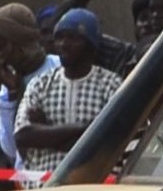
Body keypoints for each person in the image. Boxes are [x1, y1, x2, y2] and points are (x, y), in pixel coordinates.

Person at [12, 8, 121, 160]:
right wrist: (86, 128)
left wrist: (47, 131)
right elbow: (23, 135)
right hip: (46, 182)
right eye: (59, 38)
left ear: (91, 45)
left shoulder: (110, 85)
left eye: (72, 38)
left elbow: (110, 141)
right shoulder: (41, 84)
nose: (63, 44)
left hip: (90, 182)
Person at [0, 2, 53, 165]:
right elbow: (10, 149)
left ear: (19, 43)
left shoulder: (57, 70)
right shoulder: (9, 83)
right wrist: (12, 94)